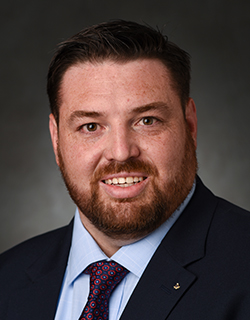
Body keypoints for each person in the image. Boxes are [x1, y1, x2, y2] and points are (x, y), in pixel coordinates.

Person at [0, 20, 250, 320]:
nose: (120, 152)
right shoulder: (7, 280)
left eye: (147, 120)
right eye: (90, 126)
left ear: (190, 125)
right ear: (56, 139)